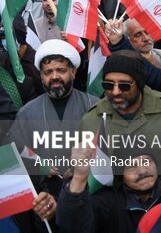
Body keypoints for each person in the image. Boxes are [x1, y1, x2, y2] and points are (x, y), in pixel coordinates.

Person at [6, 40, 99, 193]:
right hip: (45, 198)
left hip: (89, 197)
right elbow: (15, 155)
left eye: (60, 70)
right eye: (48, 72)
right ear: (41, 76)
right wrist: (38, 165)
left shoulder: (95, 107)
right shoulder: (27, 113)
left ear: (73, 72)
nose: (54, 77)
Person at [79, 51, 161, 165]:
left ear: (139, 84)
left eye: (124, 85)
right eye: (108, 85)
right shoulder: (92, 118)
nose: (115, 92)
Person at [56, 147, 161, 233]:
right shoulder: (106, 202)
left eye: (146, 161)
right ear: (121, 175)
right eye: (132, 166)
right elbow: (73, 226)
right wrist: (79, 178)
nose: (142, 171)